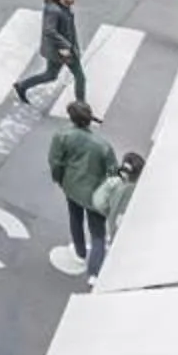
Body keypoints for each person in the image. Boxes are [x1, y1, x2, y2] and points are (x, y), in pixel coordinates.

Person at [46, 101, 120, 281]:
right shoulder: (104, 146)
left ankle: (79, 253)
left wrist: (59, 179)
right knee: (98, 234)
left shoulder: (62, 136)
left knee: (75, 218)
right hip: (95, 195)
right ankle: (94, 273)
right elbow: (112, 174)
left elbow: (55, 162)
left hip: (71, 186)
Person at [13, 0, 88, 107]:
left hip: (65, 49)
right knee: (79, 77)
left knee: (51, 75)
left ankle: (22, 85)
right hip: (61, 51)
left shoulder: (63, 7)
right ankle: (81, 106)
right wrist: (67, 45)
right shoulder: (54, 11)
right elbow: (49, 31)